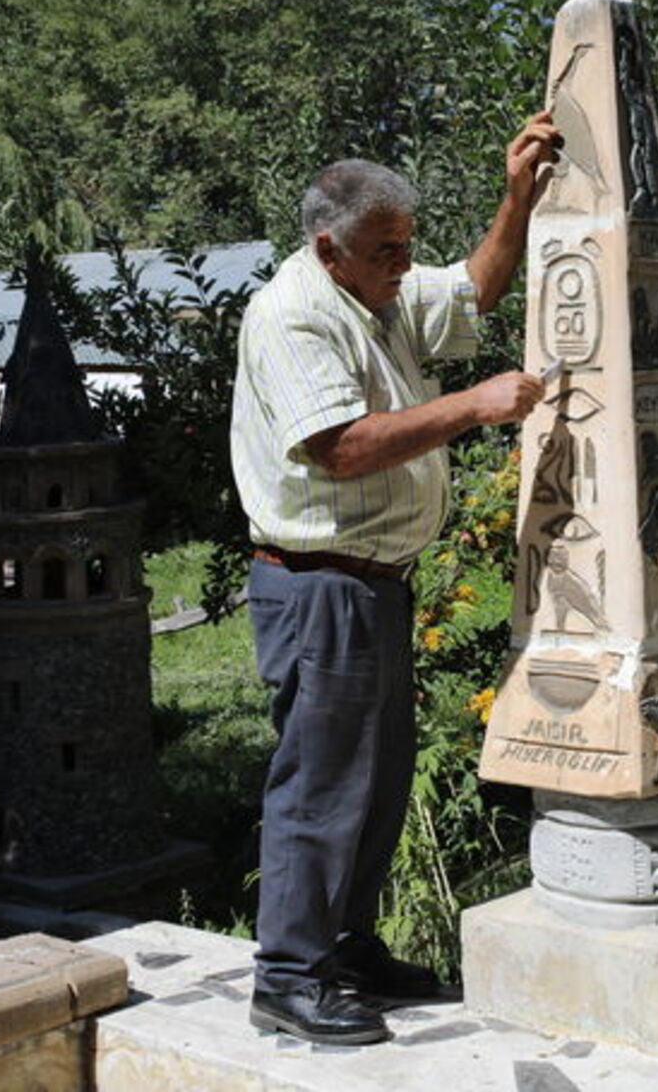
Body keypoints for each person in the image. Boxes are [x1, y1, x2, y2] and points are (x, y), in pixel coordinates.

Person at [230, 112, 560, 1046]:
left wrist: (517, 197)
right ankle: (288, 977)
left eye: (407, 247)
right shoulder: (294, 311)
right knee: (321, 782)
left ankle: (346, 947)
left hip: (372, 581)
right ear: (329, 249)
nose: (404, 266)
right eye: (386, 251)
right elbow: (339, 448)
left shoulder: (378, 293)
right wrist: (474, 405)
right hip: (318, 583)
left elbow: (473, 292)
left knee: (376, 780)